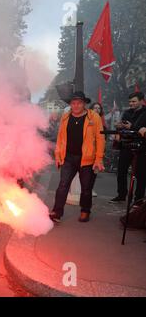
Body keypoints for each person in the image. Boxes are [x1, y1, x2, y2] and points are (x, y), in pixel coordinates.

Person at [50, 91, 105, 223]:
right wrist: (57, 156)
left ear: (84, 104)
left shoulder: (94, 117)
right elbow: (60, 138)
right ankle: (57, 212)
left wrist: (98, 159)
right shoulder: (65, 117)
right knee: (63, 185)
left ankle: (85, 210)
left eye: (79, 103)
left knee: (86, 188)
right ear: (70, 104)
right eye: (73, 103)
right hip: (68, 158)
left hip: (87, 159)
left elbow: (100, 138)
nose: (75, 106)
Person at [110, 92, 146, 203]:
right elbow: (124, 128)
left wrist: (132, 126)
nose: (131, 104)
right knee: (121, 171)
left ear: (141, 101)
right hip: (126, 145)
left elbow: (142, 130)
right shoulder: (126, 112)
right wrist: (119, 128)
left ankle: (138, 199)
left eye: (134, 101)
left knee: (141, 174)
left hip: (142, 146)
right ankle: (121, 195)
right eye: (130, 101)